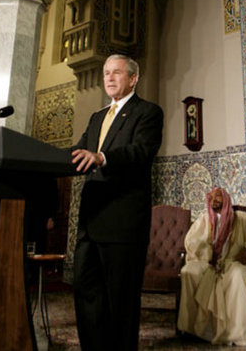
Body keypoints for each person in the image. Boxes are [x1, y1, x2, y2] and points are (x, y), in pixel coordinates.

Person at [71, 54, 163, 351]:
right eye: (106, 73)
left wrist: (102, 157)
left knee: (120, 304)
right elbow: (78, 153)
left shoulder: (147, 112)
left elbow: (141, 152)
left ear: (133, 78)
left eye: (116, 73)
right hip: (90, 224)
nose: (109, 78)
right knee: (87, 297)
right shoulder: (97, 117)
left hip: (122, 225)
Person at [177, 186, 246, 346]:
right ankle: (193, 330)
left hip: (233, 262)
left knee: (238, 275)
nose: (214, 200)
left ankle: (235, 334)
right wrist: (205, 251)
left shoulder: (242, 217)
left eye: (217, 196)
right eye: (210, 197)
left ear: (226, 198)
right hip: (208, 262)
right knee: (189, 271)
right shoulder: (204, 219)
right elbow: (190, 240)